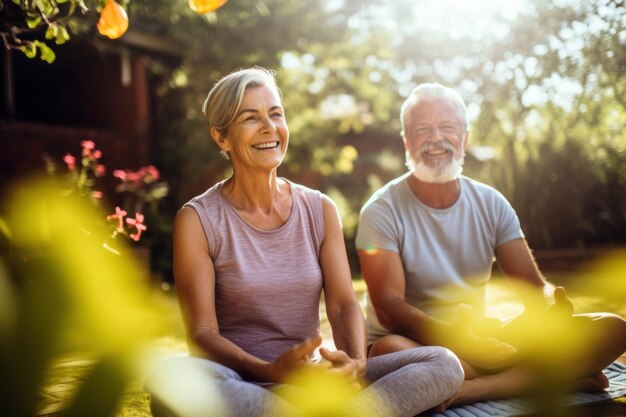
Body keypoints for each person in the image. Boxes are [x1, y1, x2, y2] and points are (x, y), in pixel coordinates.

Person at [144, 68, 464, 417]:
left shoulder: (319, 209)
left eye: (276, 114)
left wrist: (355, 366)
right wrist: (269, 371)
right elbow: (202, 335)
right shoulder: (198, 220)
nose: (269, 127)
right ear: (221, 138)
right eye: (251, 118)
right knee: (170, 376)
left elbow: (342, 305)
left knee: (442, 362)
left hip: (312, 379)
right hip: (242, 382)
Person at [355, 82, 626, 407]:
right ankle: (550, 375)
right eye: (423, 129)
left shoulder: (491, 203)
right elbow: (388, 307)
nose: (436, 138)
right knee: (390, 351)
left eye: (447, 127)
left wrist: (551, 303)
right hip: (415, 345)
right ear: (407, 142)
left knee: (613, 329)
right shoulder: (380, 209)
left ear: (465, 138)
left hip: (484, 339)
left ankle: (474, 387)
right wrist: (457, 340)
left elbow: (532, 285)